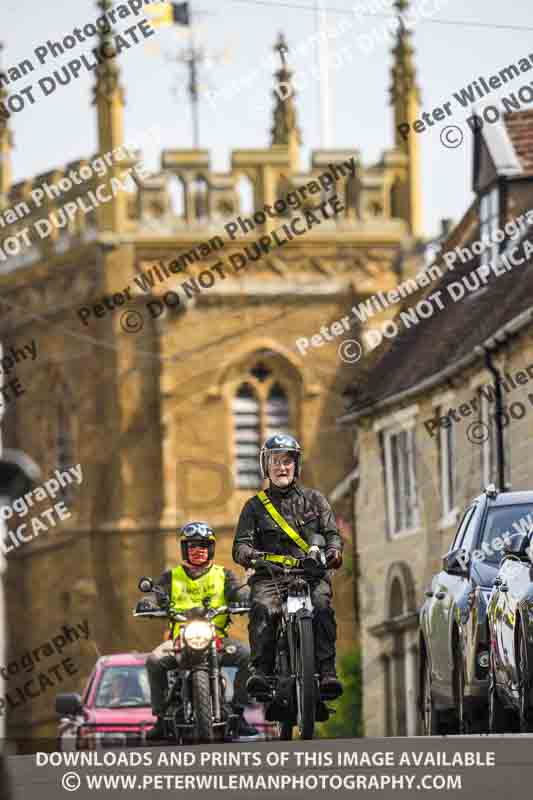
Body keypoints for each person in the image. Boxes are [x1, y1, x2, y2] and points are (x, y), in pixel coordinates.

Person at [232, 434, 344, 700]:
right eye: (276, 462)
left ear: (296, 466)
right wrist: (249, 555)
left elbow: (332, 535)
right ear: (266, 466)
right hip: (269, 576)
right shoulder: (253, 507)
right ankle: (262, 672)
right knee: (262, 608)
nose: (282, 468)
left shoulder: (316, 500)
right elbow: (240, 545)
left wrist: (333, 551)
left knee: (322, 608)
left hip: (311, 575)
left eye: (288, 462)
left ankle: (327, 672)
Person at [146, 521, 258, 740]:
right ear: (184, 549)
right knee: (153, 660)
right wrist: (149, 602)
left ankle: (239, 712)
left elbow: (238, 592)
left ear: (211, 549)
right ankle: (160, 718)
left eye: (203, 545)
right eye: (192, 546)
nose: (198, 550)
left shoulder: (224, 575)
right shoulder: (171, 576)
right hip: (179, 641)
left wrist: (244, 598)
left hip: (216, 640)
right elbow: (155, 594)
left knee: (249, 657)